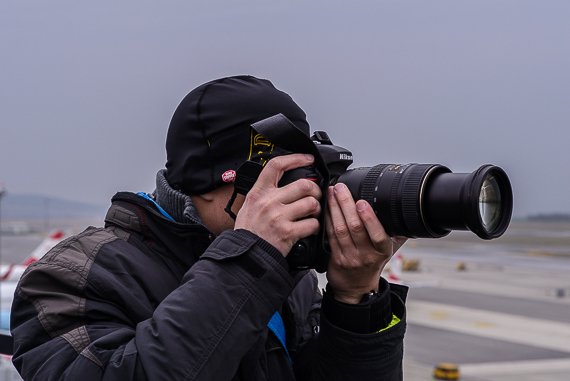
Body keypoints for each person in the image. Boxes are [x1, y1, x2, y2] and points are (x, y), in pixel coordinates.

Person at [11, 75, 408, 380]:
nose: (290, 195)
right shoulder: (71, 275)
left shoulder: (289, 276)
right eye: (272, 178)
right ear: (204, 181)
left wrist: (357, 299)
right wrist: (249, 256)